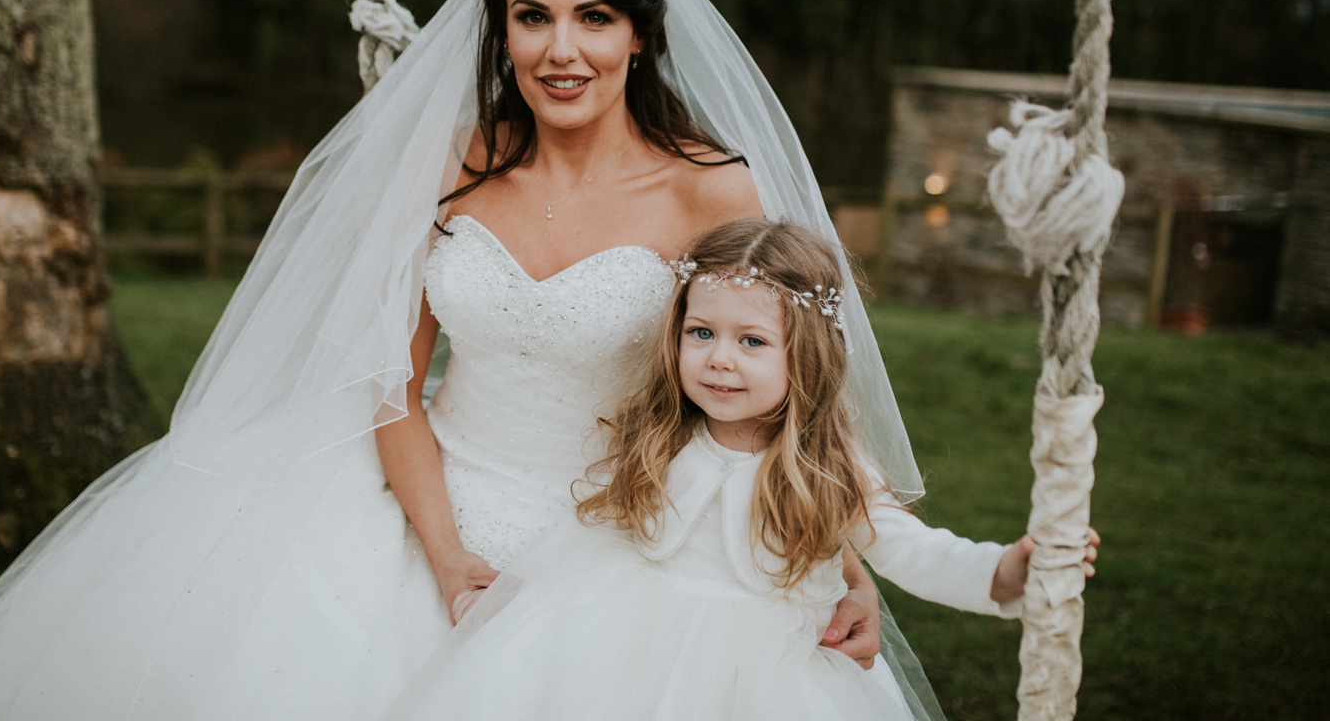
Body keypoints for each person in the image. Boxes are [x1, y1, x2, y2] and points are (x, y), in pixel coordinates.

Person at [0, 0, 919, 720]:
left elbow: (789, 388)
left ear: (640, 32)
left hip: (624, 532)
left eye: (595, 17)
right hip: (426, 493)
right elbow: (389, 372)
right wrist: (448, 554)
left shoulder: (712, 187)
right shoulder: (451, 163)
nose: (563, 50)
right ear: (500, 29)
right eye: (534, 16)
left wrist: (836, 567)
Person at [387, 218, 1101, 721]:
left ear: (808, 355)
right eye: (701, 333)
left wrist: (1002, 574)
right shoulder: (659, 433)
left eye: (752, 341)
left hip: (770, 675)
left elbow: (906, 548)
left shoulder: (828, 468)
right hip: (617, 644)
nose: (719, 359)